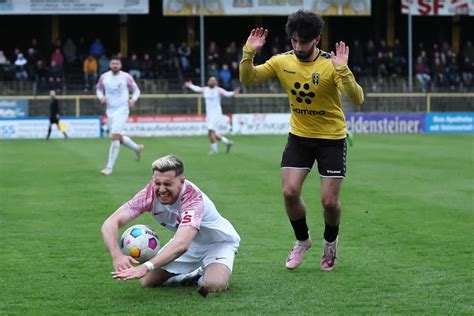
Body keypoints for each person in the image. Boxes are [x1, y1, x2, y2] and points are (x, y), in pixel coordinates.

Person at [239, 10, 364, 271]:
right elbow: (248, 79)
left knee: (329, 202)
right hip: (299, 137)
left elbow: (357, 98)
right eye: (293, 41)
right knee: (289, 192)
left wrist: (344, 70)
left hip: (331, 138)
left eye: (303, 42)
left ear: (316, 39)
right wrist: (249, 53)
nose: (297, 47)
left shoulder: (331, 64)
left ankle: (330, 243)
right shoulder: (281, 61)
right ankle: (302, 240)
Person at [102, 155, 240, 297]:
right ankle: (191, 275)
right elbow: (110, 223)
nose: (161, 189)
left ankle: (207, 273)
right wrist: (116, 255)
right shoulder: (149, 194)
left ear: (181, 181)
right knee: (147, 282)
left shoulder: (192, 199)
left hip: (217, 243)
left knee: (212, 286)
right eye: (157, 183)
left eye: (167, 184)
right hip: (189, 241)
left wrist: (146, 266)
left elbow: (181, 245)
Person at [96, 57, 144, 176]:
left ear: (120, 65)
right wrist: (101, 97)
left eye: (117, 63)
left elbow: (136, 90)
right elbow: (98, 89)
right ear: (110, 65)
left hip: (122, 110)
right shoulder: (104, 77)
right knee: (118, 137)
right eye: (113, 63)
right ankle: (137, 148)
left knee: (115, 137)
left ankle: (109, 167)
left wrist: (133, 99)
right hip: (110, 111)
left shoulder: (126, 77)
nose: (115, 65)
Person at [184, 77, 240, 155]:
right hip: (209, 115)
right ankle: (227, 142)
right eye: (210, 80)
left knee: (210, 132)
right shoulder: (205, 89)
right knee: (212, 133)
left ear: (216, 82)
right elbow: (198, 89)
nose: (211, 81)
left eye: (213, 80)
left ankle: (214, 150)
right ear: (208, 82)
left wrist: (234, 92)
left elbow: (227, 93)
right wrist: (190, 85)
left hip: (216, 114)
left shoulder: (218, 90)